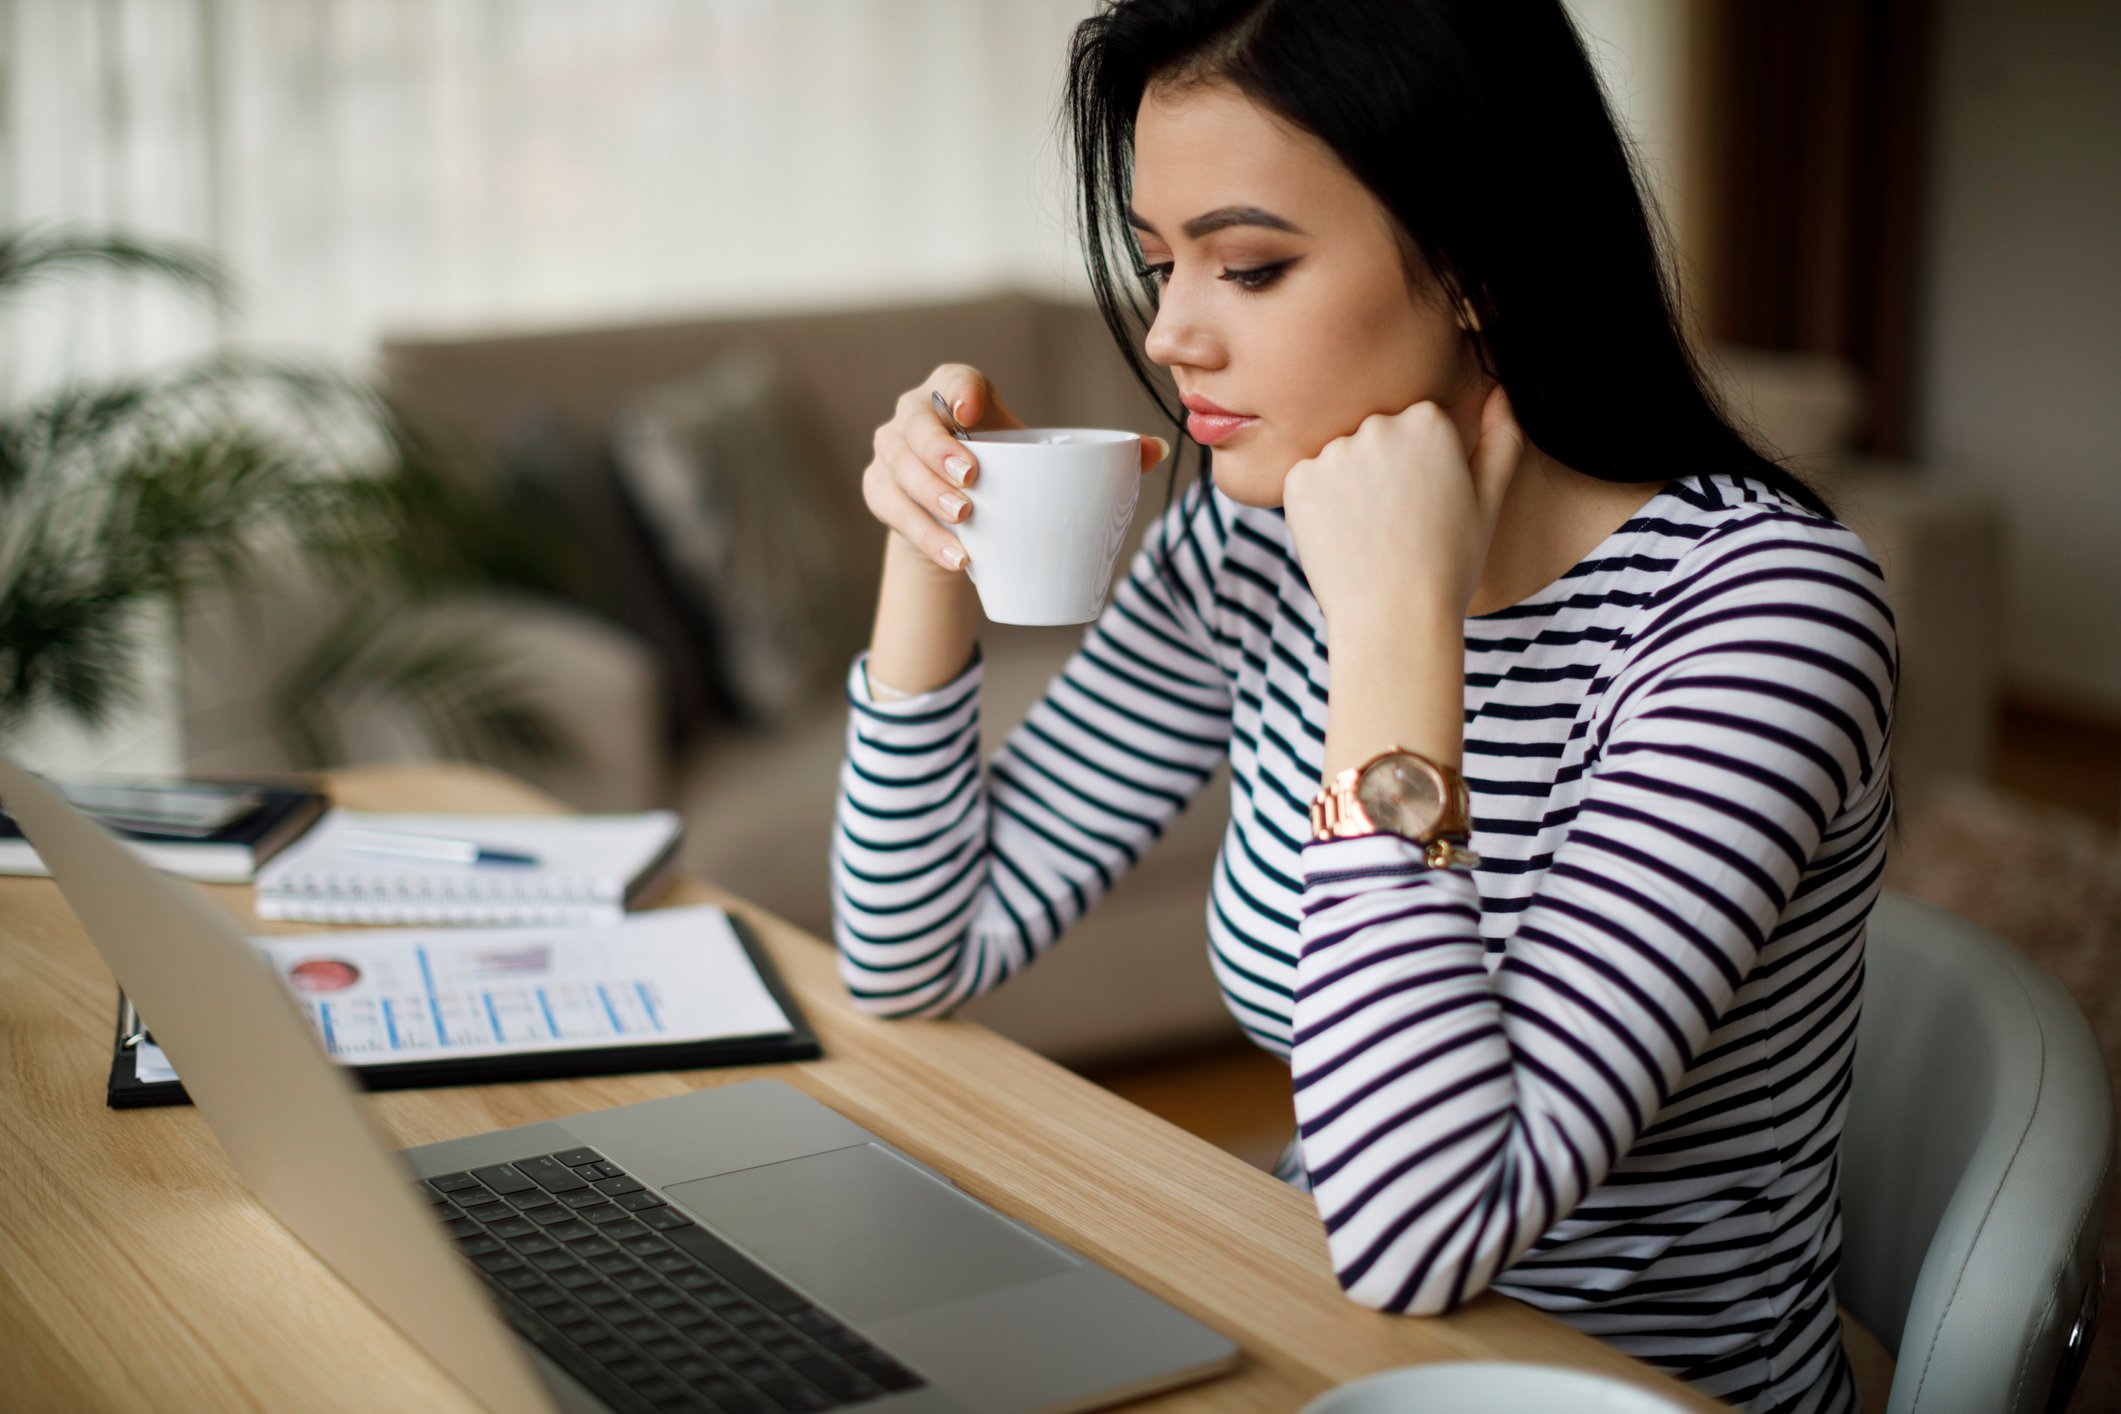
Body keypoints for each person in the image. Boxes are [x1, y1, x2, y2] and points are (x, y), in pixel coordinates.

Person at [831, 3, 1895, 1411]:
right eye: (1158, 264)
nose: (1170, 333)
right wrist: (934, 541)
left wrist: (1394, 629)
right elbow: (908, 951)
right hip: (1311, 1332)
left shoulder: (1758, 617)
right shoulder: (1245, 545)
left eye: (1249, 267)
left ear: (1475, 262)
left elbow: (1421, 1232)